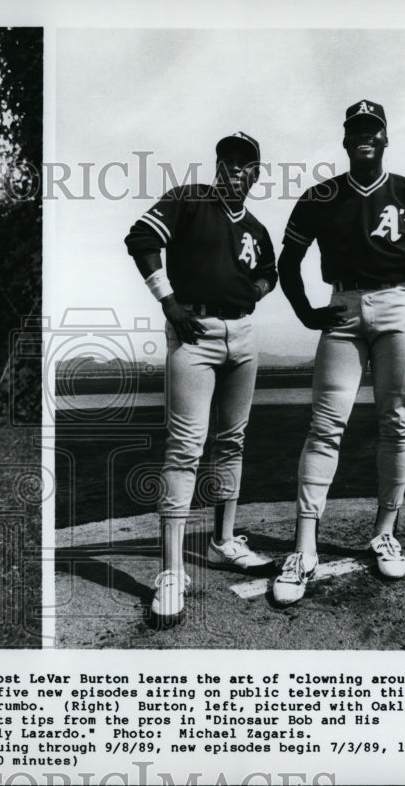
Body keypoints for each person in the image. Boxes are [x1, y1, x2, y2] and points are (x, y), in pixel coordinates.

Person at [273, 100, 405, 605]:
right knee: (325, 425)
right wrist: (304, 312)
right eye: (355, 131)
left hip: (397, 303)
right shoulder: (323, 195)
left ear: (385, 138)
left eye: (373, 130)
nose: (364, 137)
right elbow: (289, 259)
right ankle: (304, 547)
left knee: (397, 421)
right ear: (345, 141)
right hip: (342, 306)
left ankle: (386, 530)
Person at [124, 132, 278, 627]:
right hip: (195, 331)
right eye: (228, 161)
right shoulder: (190, 199)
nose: (236, 170)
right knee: (186, 446)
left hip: (244, 335)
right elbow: (141, 239)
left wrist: (260, 285)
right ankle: (170, 571)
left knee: (232, 441)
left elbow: (270, 272)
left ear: (256, 172)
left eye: (245, 164)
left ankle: (223, 541)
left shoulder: (255, 226)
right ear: (218, 165)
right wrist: (168, 302)